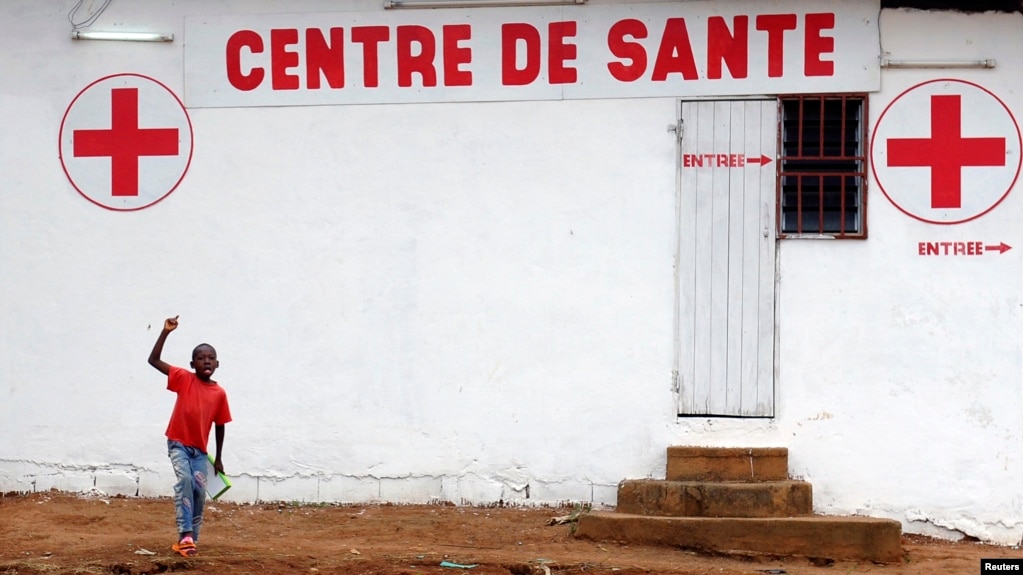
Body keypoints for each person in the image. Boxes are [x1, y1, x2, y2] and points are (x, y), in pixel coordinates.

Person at [148, 315, 233, 557]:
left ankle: (190, 540)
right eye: (201, 357)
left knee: (198, 490)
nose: (206, 361)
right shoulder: (184, 378)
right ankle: (185, 534)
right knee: (185, 481)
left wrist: (218, 458)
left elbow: (220, 425)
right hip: (178, 444)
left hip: (200, 452)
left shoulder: (219, 393)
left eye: (211, 358)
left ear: (217, 364)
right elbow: (153, 360)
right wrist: (166, 332)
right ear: (192, 363)